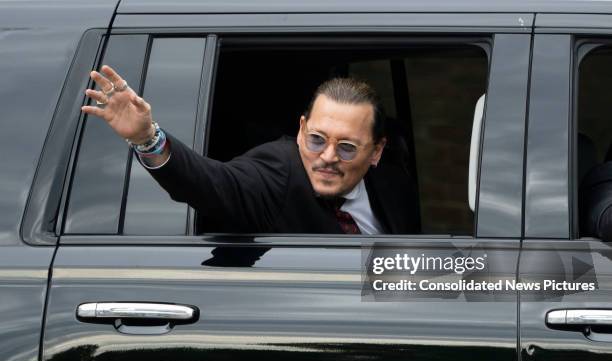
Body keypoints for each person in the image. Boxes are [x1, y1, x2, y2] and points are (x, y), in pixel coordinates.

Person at [81, 65, 420, 234]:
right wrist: (148, 138)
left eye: (347, 148)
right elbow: (210, 182)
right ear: (301, 130)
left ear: (376, 152)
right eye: (317, 140)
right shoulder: (275, 171)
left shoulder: (393, 185)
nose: (328, 157)